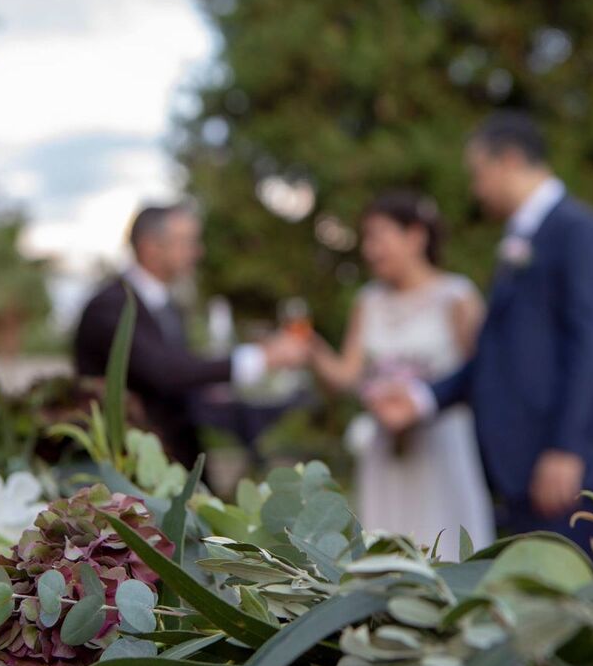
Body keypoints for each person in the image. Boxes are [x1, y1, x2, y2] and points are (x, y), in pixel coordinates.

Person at [368, 112, 593, 554]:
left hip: (565, 473)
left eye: (479, 173)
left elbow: (592, 343)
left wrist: (565, 448)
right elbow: (498, 356)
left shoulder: (578, 231)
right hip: (524, 469)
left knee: (572, 609)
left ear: (510, 160)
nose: (476, 189)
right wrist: (422, 398)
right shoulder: (522, 239)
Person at [310, 191, 495, 559]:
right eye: (367, 238)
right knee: (386, 551)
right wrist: (311, 349)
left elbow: (485, 375)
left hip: (441, 446)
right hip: (385, 451)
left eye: (378, 236)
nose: (369, 248)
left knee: (448, 550)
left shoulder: (457, 296)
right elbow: (347, 375)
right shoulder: (369, 301)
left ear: (415, 236)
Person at [73, 201, 308, 468]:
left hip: (175, 459)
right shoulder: (112, 306)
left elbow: (182, 376)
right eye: (187, 242)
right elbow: (164, 372)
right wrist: (259, 357)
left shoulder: (167, 306)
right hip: (128, 470)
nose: (198, 252)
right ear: (151, 247)